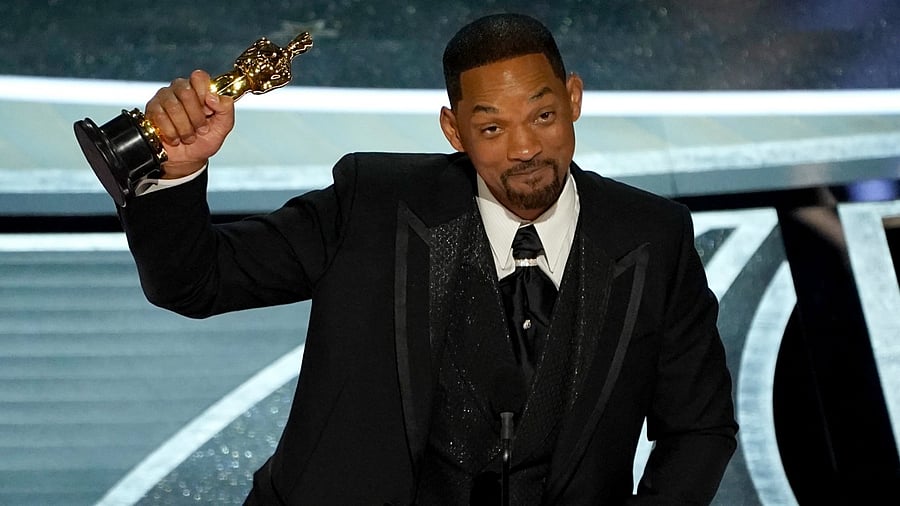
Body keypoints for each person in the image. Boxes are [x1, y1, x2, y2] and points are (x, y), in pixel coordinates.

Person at [119, 13, 737, 505]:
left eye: (543, 116)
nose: (525, 148)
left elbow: (699, 428)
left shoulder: (654, 236)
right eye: (492, 128)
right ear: (453, 130)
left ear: (574, 100)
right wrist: (176, 172)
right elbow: (194, 282)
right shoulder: (373, 204)